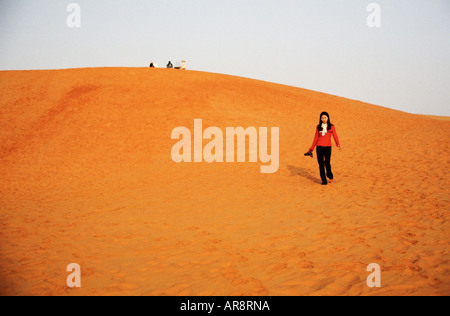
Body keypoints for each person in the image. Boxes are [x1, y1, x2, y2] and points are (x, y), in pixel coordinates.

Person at [306, 111, 342, 185]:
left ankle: (329, 175)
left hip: (328, 148)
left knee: (327, 163)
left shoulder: (331, 126)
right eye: (322, 118)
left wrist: (337, 144)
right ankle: (324, 180)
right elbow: (315, 138)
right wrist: (311, 149)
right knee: (321, 164)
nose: (323, 119)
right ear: (320, 118)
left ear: (328, 118)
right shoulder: (318, 126)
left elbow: (335, 136)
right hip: (319, 148)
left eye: (325, 117)